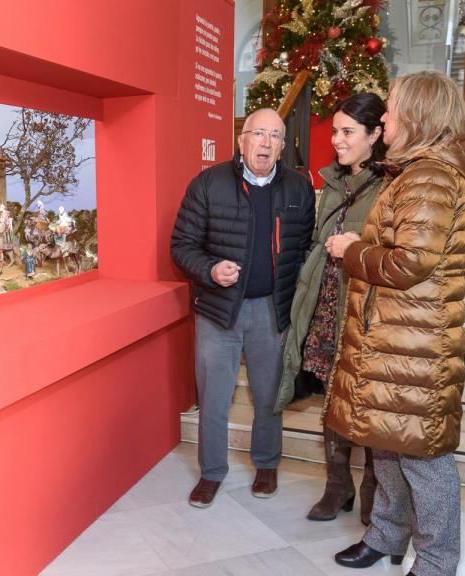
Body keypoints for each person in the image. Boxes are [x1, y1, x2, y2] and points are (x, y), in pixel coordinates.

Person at [324, 72, 465, 576]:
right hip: (395, 341)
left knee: (424, 461)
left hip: (416, 345)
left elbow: (409, 262)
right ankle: (386, 535)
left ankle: (436, 563)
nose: (385, 117)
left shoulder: (432, 177)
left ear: (416, 115)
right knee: (387, 445)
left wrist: (353, 251)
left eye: (391, 109)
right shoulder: (415, 171)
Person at [170, 108, 316, 508]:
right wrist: (211, 268)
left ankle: (266, 465)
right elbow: (181, 246)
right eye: (258, 133)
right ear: (242, 139)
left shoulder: (299, 189)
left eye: (275, 136)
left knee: (270, 396)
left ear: (284, 146)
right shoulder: (208, 184)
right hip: (218, 311)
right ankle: (211, 473)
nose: (266, 143)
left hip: (272, 311)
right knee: (214, 397)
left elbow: (305, 250)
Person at [277, 93, 387, 525]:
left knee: (370, 406)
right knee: (332, 402)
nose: (337, 140)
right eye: (335, 130)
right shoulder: (333, 183)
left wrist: (357, 245)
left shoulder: (390, 184)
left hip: (364, 310)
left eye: (347, 132)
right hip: (325, 305)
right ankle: (337, 485)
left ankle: (374, 491)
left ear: (376, 134)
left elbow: (391, 252)